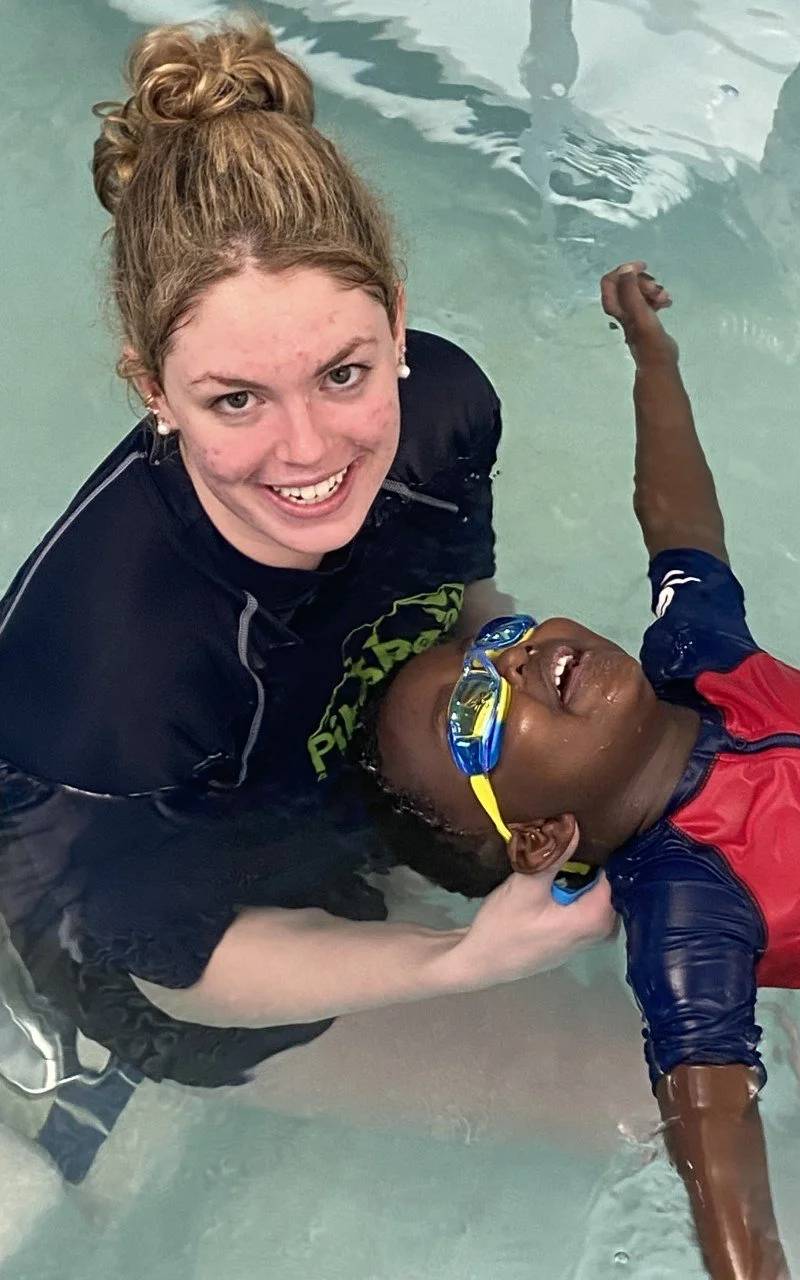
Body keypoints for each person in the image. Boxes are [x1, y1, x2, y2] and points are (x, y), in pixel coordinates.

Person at [0, 15, 619, 1186]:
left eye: (343, 371)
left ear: (394, 316)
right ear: (152, 387)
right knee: (642, 1088)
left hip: (341, 760)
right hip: (159, 905)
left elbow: (464, 605)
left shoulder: (439, 409)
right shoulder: (110, 682)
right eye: (235, 399)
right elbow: (177, 961)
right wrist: (456, 958)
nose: (310, 453)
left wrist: (591, 771)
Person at [369, 261, 800, 1280]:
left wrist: (654, 359)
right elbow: (713, 1129)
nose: (511, 658)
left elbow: (678, 518)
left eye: (497, 640)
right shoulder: (689, 904)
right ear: (543, 835)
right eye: (475, 706)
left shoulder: (698, 658)